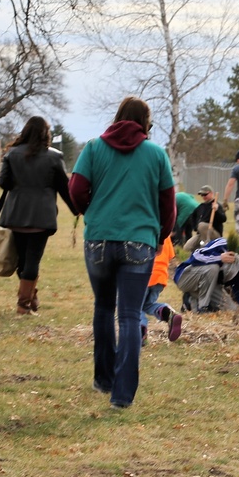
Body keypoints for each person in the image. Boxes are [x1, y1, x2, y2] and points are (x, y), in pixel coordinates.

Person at [69, 96, 176, 409]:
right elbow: (167, 203)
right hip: (139, 242)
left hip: (99, 239)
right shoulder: (156, 154)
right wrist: (162, 235)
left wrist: (90, 212)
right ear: (145, 123)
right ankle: (122, 394)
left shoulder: (92, 148)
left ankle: (103, 379)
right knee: (129, 315)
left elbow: (75, 188)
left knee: (103, 307)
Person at [0, 116, 76, 315]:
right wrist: (76, 209)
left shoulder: (12, 154)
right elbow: (64, 188)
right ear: (45, 134)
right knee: (31, 261)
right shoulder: (54, 157)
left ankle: (29, 297)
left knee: (21, 262)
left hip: (15, 214)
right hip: (42, 217)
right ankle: (24, 303)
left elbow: (3, 183)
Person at [174, 234, 239, 317]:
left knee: (231, 310)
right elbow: (196, 255)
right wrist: (219, 258)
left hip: (209, 287)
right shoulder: (223, 244)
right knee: (213, 268)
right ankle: (202, 307)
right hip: (186, 277)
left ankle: (190, 301)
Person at [141, 237, 183, 344]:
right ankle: (168, 314)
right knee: (148, 305)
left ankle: (139, 332)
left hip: (143, 273)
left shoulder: (142, 228)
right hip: (160, 276)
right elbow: (170, 256)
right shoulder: (166, 233)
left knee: (133, 306)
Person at [185, 184, 227, 250]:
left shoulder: (217, 205)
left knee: (202, 225)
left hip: (214, 234)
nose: (203, 196)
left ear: (211, 193)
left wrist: (216, 211)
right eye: (202, 195)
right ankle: (199, 250)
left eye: (205, 194)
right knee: (187, 247)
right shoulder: (201, 206)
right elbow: (192, 217)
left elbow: (223, 219)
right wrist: (195, 227)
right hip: (201, 234)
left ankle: (208, 247)